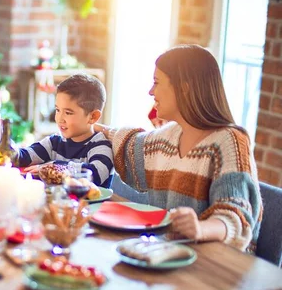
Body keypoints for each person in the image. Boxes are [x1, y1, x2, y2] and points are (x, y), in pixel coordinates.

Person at [96, 44, 262, 252]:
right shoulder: (170, 134)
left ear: (184, 87)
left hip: (220, 267)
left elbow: (236, 215)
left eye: (156, 82)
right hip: (170, 254)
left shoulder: (229, 141)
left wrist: (200, 229)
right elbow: (130, 146)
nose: (151, 91)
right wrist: (86, 124)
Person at [18, 74, 114, 188]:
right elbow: (25, 156)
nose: (59, 118)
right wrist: (4, 146)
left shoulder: (101, 146)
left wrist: (54, 167)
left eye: (68, 113)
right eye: (58, 110)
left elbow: (95, 175)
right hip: (61, 203)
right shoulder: (55, 142)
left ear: (93, 117)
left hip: (92, 205)